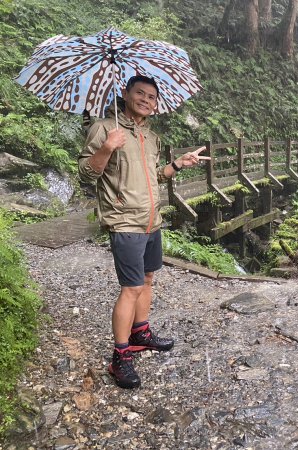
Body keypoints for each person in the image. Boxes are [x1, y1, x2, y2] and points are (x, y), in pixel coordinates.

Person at [79, 75, 208, 389]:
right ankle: (120, 356)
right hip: (125, 222)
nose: (147, 101)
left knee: (148, 278)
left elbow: (156, 176)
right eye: (141, 94)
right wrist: (108, 147)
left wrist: (177, 164)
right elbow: (86, 174)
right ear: (125, 94)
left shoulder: (151, 136)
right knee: (131, 288)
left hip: (152, 220)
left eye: (152, 97)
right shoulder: (104, 128)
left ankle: (141, 332)